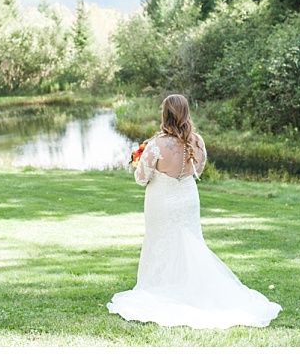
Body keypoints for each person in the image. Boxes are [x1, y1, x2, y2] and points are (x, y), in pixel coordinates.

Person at [107, 94, 281, 328]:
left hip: (162, 201)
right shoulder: (197, 141)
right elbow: (198, 168)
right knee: (189, 241)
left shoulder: (155, 145)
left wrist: (139, 162)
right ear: (186, 113)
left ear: (165, 114)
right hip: (188, 198)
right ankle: (187, 286)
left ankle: (162, 288)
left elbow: (141, 179)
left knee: (161, 242)